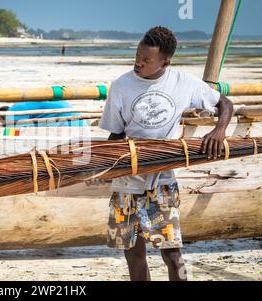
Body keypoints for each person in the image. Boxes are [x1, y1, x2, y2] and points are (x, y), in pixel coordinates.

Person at [99, 26, 233, 281]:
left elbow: (224, 103)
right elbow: (116, 136)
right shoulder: (120, 86)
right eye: (138, 55)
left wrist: (220, 130)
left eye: (147, 60)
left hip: (162, 183)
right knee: (133, 255)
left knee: (172, 255)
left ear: (165, 62)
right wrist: (106, 165)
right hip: (127, 183)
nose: (139, 62)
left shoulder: (183, 82)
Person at [0, 101, 87, 127]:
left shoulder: (15, 110)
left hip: (69, 126)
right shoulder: (23, 106)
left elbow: (15, 133)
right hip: (81, 123)